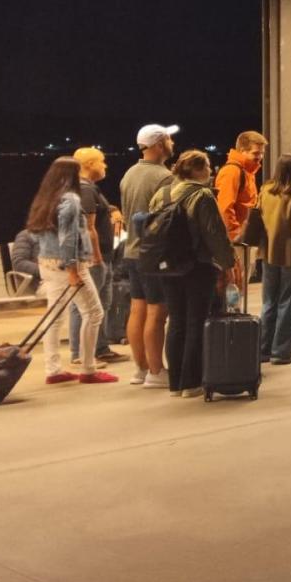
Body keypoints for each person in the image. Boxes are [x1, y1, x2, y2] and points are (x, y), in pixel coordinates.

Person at [26, 157, 116, 385]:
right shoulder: (71, 200)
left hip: (47, 263)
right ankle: (88, 368)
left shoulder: (46, 198)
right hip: (68, 265)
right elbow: (69, 237)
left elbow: (38, 234)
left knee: (54, 318)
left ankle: (53, 369)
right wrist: (73, 269)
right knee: (94, 313)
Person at [158, 150, 237, 396]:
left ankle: (175, 382)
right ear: (197, 170)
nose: (211, 171)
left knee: (176, 323)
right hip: (198, 265)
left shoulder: (163, 193)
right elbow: (214, 234)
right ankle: (191, 383)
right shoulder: (202, 195)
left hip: (168, 265)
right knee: (196, 322)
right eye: (208, 167)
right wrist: (228, 264)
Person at [119, 123, 176, 388]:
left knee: (137, 308)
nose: (172, 143)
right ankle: (156, 371)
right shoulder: (164, 177)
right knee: (158, 311)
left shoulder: (128, 174)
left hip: (132, 250)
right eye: (168, 139)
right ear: (158, 145)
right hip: (153, 254)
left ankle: (140, 368)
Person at [255, 154, 291, 363]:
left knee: (268, 302)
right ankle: (280, 352)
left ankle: (262, 351)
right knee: (288, 302)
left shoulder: (265, 190)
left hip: (268, 251)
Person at [70, 147, 122, 368]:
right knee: (85, 306)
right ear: (90, 164)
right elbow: (88, 228)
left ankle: (99, 348)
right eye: (102, 162)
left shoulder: (89, 189)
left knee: (101, 303)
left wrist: (112, 210)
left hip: (103, 255)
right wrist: (97, 258)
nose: (105, 166)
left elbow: (99, 210)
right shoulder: (85, 189)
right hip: (95, 257)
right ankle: (80, 352)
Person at [214, 130, 267, 242]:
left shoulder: (247, 171)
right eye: (256, 153)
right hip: (235, 240)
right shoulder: (232, 171)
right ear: (242, 151)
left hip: (242, 238)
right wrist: (236, 235)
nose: (260, 157)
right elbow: (224, 208)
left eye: (262, 153)